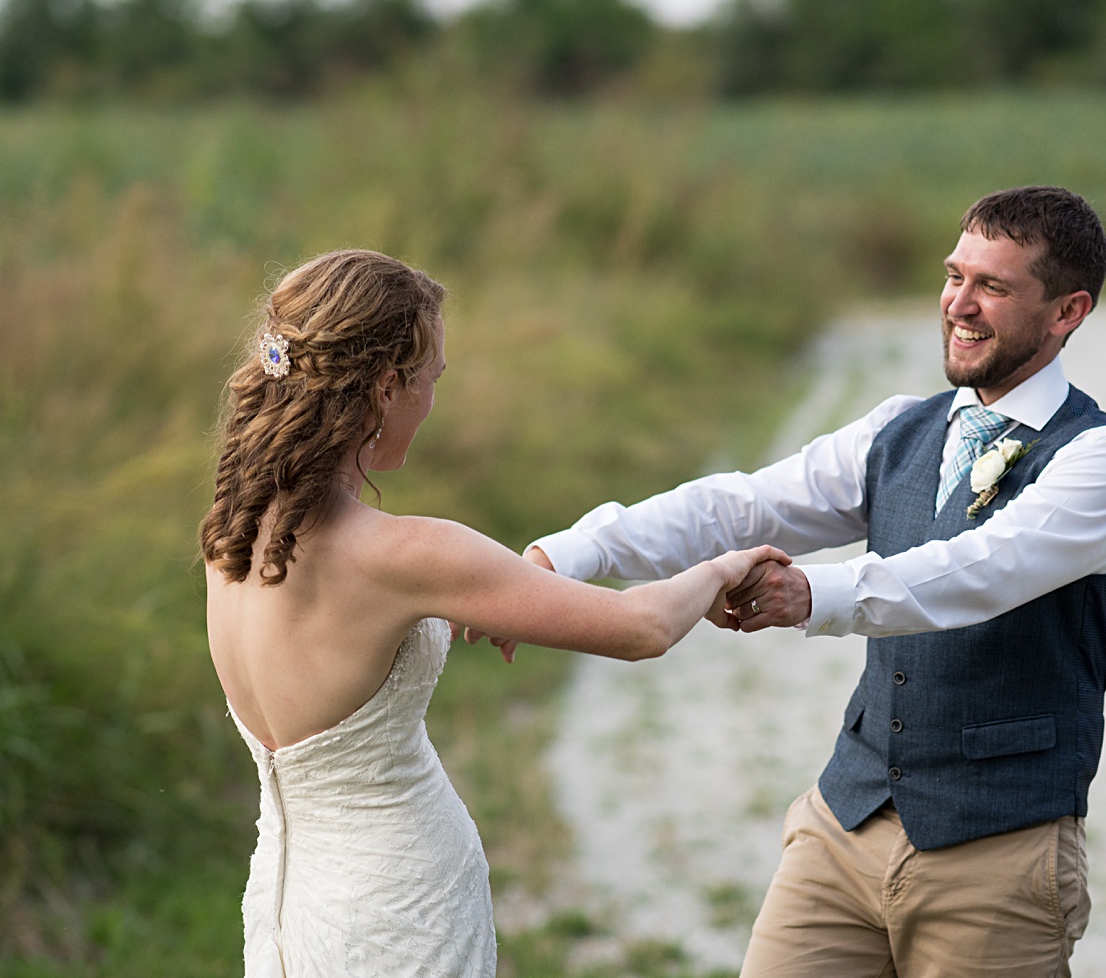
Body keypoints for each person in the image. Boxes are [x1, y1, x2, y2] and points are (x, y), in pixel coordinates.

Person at [513, 186, 1106, 976]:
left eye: (994, 287)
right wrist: (558, 559)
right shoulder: (899, 428)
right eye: (956, 276)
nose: (960, 303)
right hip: (843, 825)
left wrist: (811, 594)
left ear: (1067, 312)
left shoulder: (1100, 461)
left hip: (998, 853)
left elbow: (977, 572)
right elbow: (741, 506)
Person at [199, 249, 787, 977]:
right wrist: (723, 566)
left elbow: (346, 653)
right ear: (386, 387)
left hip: (288, 909)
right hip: (397, 909)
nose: (433, 401)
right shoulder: (406, 554)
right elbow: (644, 628)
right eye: (431, 380)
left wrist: (489, 594)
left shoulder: (230, 542)